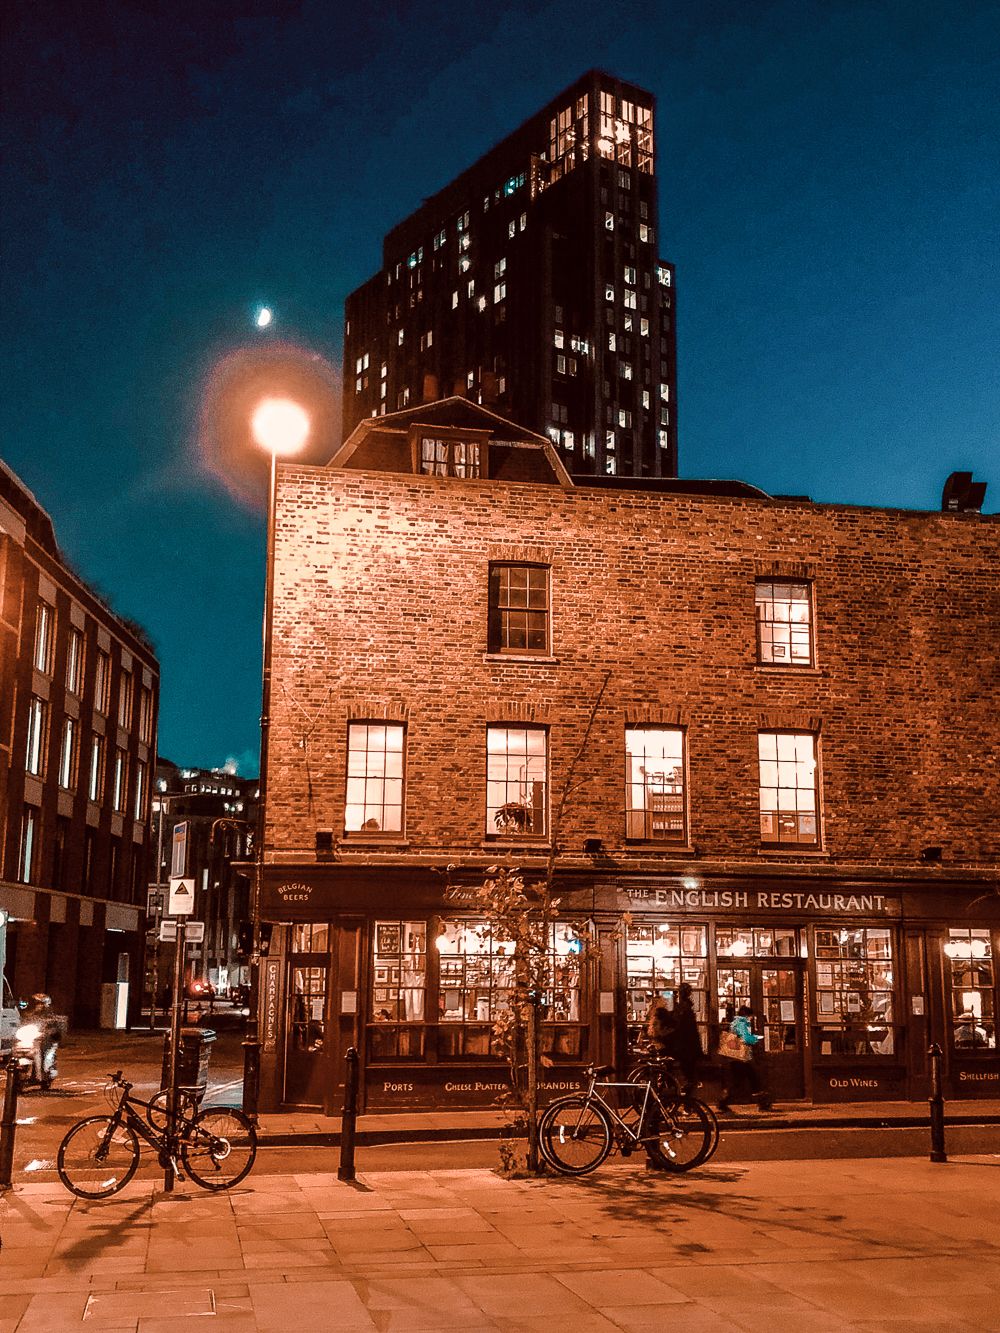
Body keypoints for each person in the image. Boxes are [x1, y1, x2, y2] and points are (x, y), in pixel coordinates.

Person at [718, 1004, 772, 1112]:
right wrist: (757, 1039)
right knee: (750, 1080)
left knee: (742, 1081)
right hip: (739, 1059)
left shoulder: (735, 1023)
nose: (751, 1019)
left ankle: (723, 1102)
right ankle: (762, 1102)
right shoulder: (741, 1024)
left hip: (735, 1058)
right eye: (750, 1017)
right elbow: (746, 1038)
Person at [671, 982, 704, 1093]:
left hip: (684, 1045)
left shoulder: (682, 1008)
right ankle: (689, 1096)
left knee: (687, 1072)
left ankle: (687, 1098)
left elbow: (678, 1026)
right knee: (689, 1072)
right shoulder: (687, 1007)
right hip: (689, 1044)